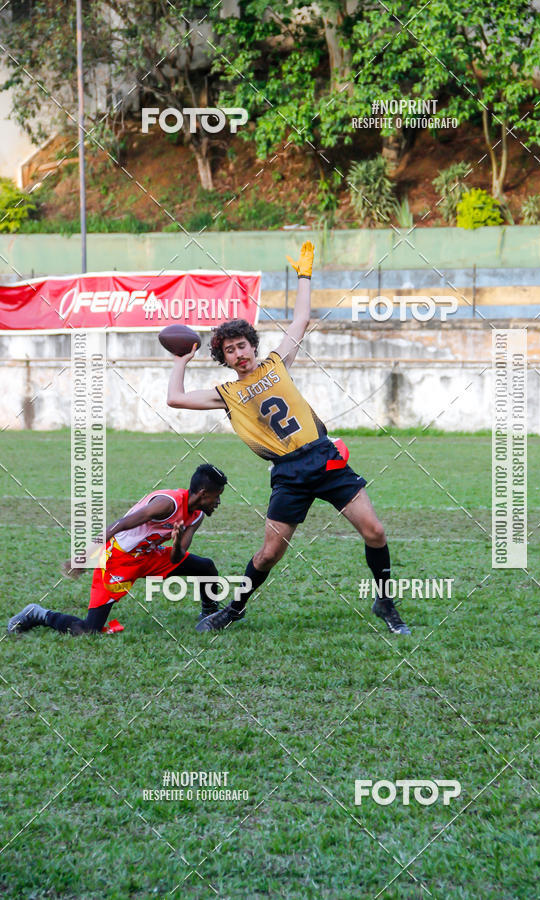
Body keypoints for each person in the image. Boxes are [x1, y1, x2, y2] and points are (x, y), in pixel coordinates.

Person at [167, 242, 410, 635]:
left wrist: (304, 275)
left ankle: (385, 602)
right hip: (288, 473)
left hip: (325, 459)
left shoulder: (278, 362)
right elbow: (174, 398)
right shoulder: (226, 394)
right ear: (225, 359)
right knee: (267, 555)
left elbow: (301, 318)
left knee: (375, 531)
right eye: (229, 351)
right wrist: (180, 361)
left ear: (252, 345)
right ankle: (235, 608)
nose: (238, 354)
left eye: (242, 345)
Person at [7, 464, 227, 636]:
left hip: (149, 556)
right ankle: (37, 614)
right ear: (202, 492)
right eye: (216, 496)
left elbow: (176, 556)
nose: (218, 502)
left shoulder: (197, 515)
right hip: (118, 559)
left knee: (205, 567)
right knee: (88, 630)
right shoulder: (167, 504)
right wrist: (85, 555)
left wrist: (177, 541)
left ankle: (210, 614)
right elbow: (120, 524)